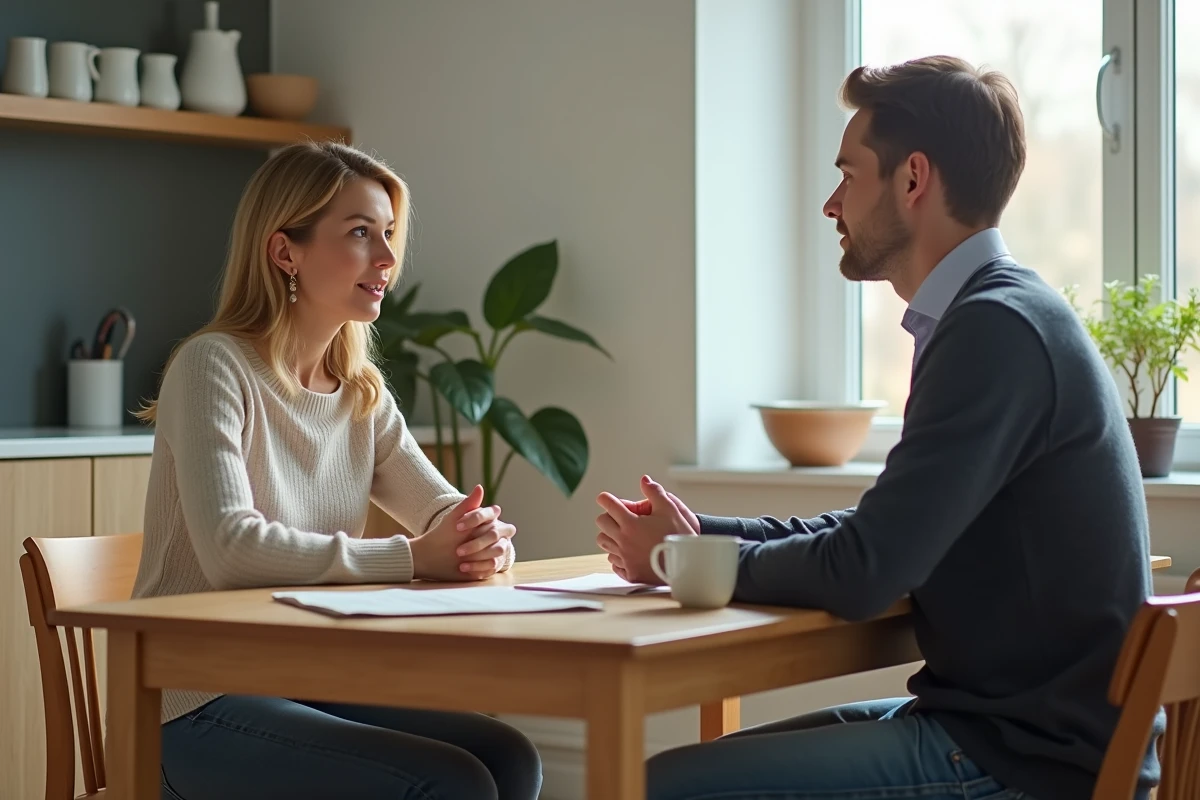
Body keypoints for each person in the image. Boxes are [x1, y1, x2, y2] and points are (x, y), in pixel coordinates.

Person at [596, 56, 1159, 800]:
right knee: (657, 778)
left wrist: (682, 561)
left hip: (1023, 764)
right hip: (1009, 733)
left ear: (913, 180)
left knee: (658, 788)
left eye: (849, 175)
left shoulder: (994, 329)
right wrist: (698, 534)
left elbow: (865, 571)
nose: (832, 204)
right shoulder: (1003, 312)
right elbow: (879, 534)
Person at [133, 141, 542, 800]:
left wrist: (475, 537)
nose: (386, 258)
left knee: (509, 755)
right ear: (284, 251)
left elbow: (443, 512)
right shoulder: (214, 367)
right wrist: (415, 556)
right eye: (359, 233)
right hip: (192, 705)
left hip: (305, 687)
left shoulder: (359, 391)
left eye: (387, 234)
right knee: (452, 781)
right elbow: (233, 550)